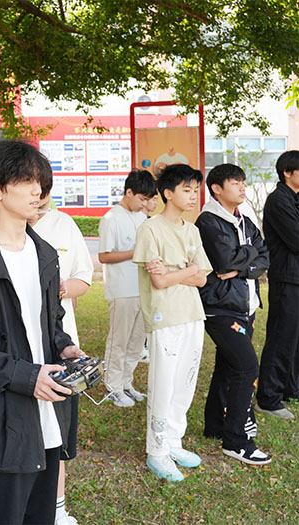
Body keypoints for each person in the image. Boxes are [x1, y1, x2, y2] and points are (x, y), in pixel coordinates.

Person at [0, 140, 85, 524]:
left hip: (49, 408)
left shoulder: (45, 254)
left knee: (40, 515)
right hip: (4, 418)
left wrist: (66, 348)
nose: (37, 191)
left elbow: (51, 323)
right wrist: (27, 378)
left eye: (40, 181)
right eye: (25, 181)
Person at [132, 164, 212, 482]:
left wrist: (175, 271)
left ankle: (174, 442)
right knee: (163, 384)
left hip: (192, 314)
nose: (193, 196)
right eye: (186, 190)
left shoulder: (192, 230)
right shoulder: (150, 229)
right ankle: (157, 450)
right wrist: (187, 269)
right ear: (168, 193)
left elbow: (202, 279)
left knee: (185, 383)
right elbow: (159, 282)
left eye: (196, 190)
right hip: (165, 316)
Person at [195, 163, 272, 465]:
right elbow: (224, 263)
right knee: (247, 368)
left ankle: (216, 425)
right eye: (235, 182)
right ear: (217, 188)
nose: (242, 187)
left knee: (228, 367)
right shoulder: (209, 221)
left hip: (245, 305)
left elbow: (265, 257)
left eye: (243, 182)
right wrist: (247, 257)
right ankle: (237, 441)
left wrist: (241, 266)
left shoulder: (243, 220)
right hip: (221, 308)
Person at [98, 170, 156, 407]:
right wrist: (135, 253)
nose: (144, 204)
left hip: (143, 288)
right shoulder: (111, 218)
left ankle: (126, 383)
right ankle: (112, 387)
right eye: (142, 199)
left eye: (147, 200)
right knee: (119, 341)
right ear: (129, 192)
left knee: (136, 343)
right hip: (121, 290)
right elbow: (104, 255)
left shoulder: (141, 218)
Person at [256, 150, 299, 419]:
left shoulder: (294, 198)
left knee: (295, 338)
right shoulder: (278, 200)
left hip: (296, 277)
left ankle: (290, 389)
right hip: (286, 277)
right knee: (281, 337)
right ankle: (268, 398)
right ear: (287, 172)